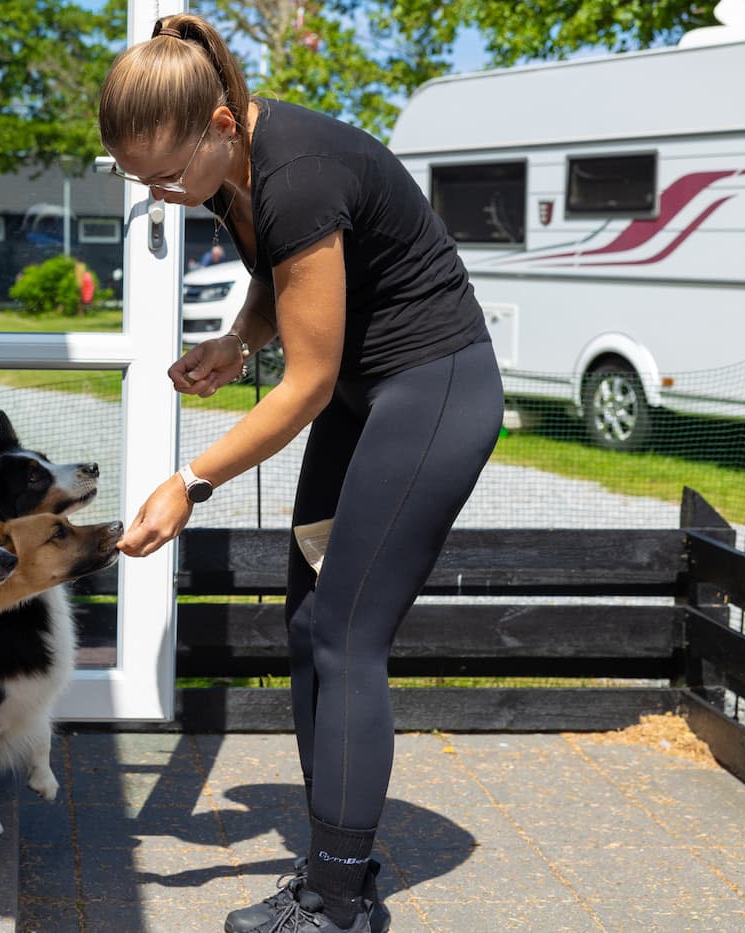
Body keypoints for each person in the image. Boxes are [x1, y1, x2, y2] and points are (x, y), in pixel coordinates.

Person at [100, 14, 503, 933]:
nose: (161, 194)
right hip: (371, 397)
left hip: (433, 388)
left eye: (168, 172)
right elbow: (281, 279)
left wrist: (188, 481)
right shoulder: (229, 176)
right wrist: (238, 338)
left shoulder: (301, 171)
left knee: (348, 635)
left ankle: (337, 902)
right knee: (311, 621)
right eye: (138, 179)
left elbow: (310, 384)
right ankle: (334, 871)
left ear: (220, 124)